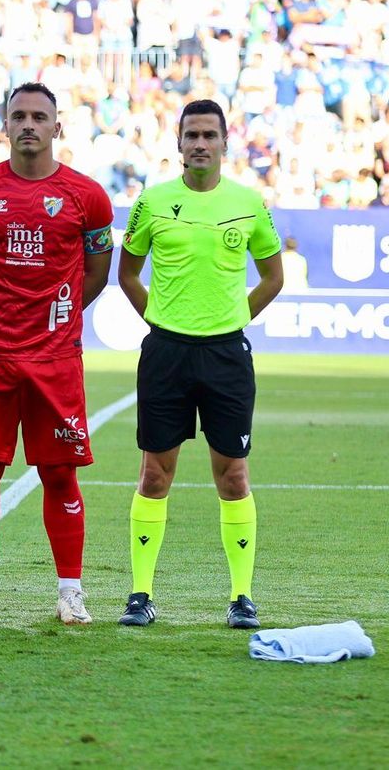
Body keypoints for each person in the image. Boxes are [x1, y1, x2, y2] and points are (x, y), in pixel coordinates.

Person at [0, 83, 114, 626]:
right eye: (19, 116)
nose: (29, 124)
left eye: (40, 116)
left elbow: (97, 272)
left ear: (58, 127)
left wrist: (55, 316)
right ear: (5, 127)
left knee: (60, 476)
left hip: (55, 360)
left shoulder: (88, 195)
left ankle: (70, 592)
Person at [116, 99, 284, 630]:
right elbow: (127, 273)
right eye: (192, 135)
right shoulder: (153, 202)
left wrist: (232, 320)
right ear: (179, 143)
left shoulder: (250, 203)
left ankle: (241, 596)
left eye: (210, 135)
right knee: (154, 473)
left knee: (233, 475)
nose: (201, 144)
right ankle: (141, 593)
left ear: (225, 144)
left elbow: (273, 277)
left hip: (226, 354)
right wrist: (162, 321)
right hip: (166, 353)